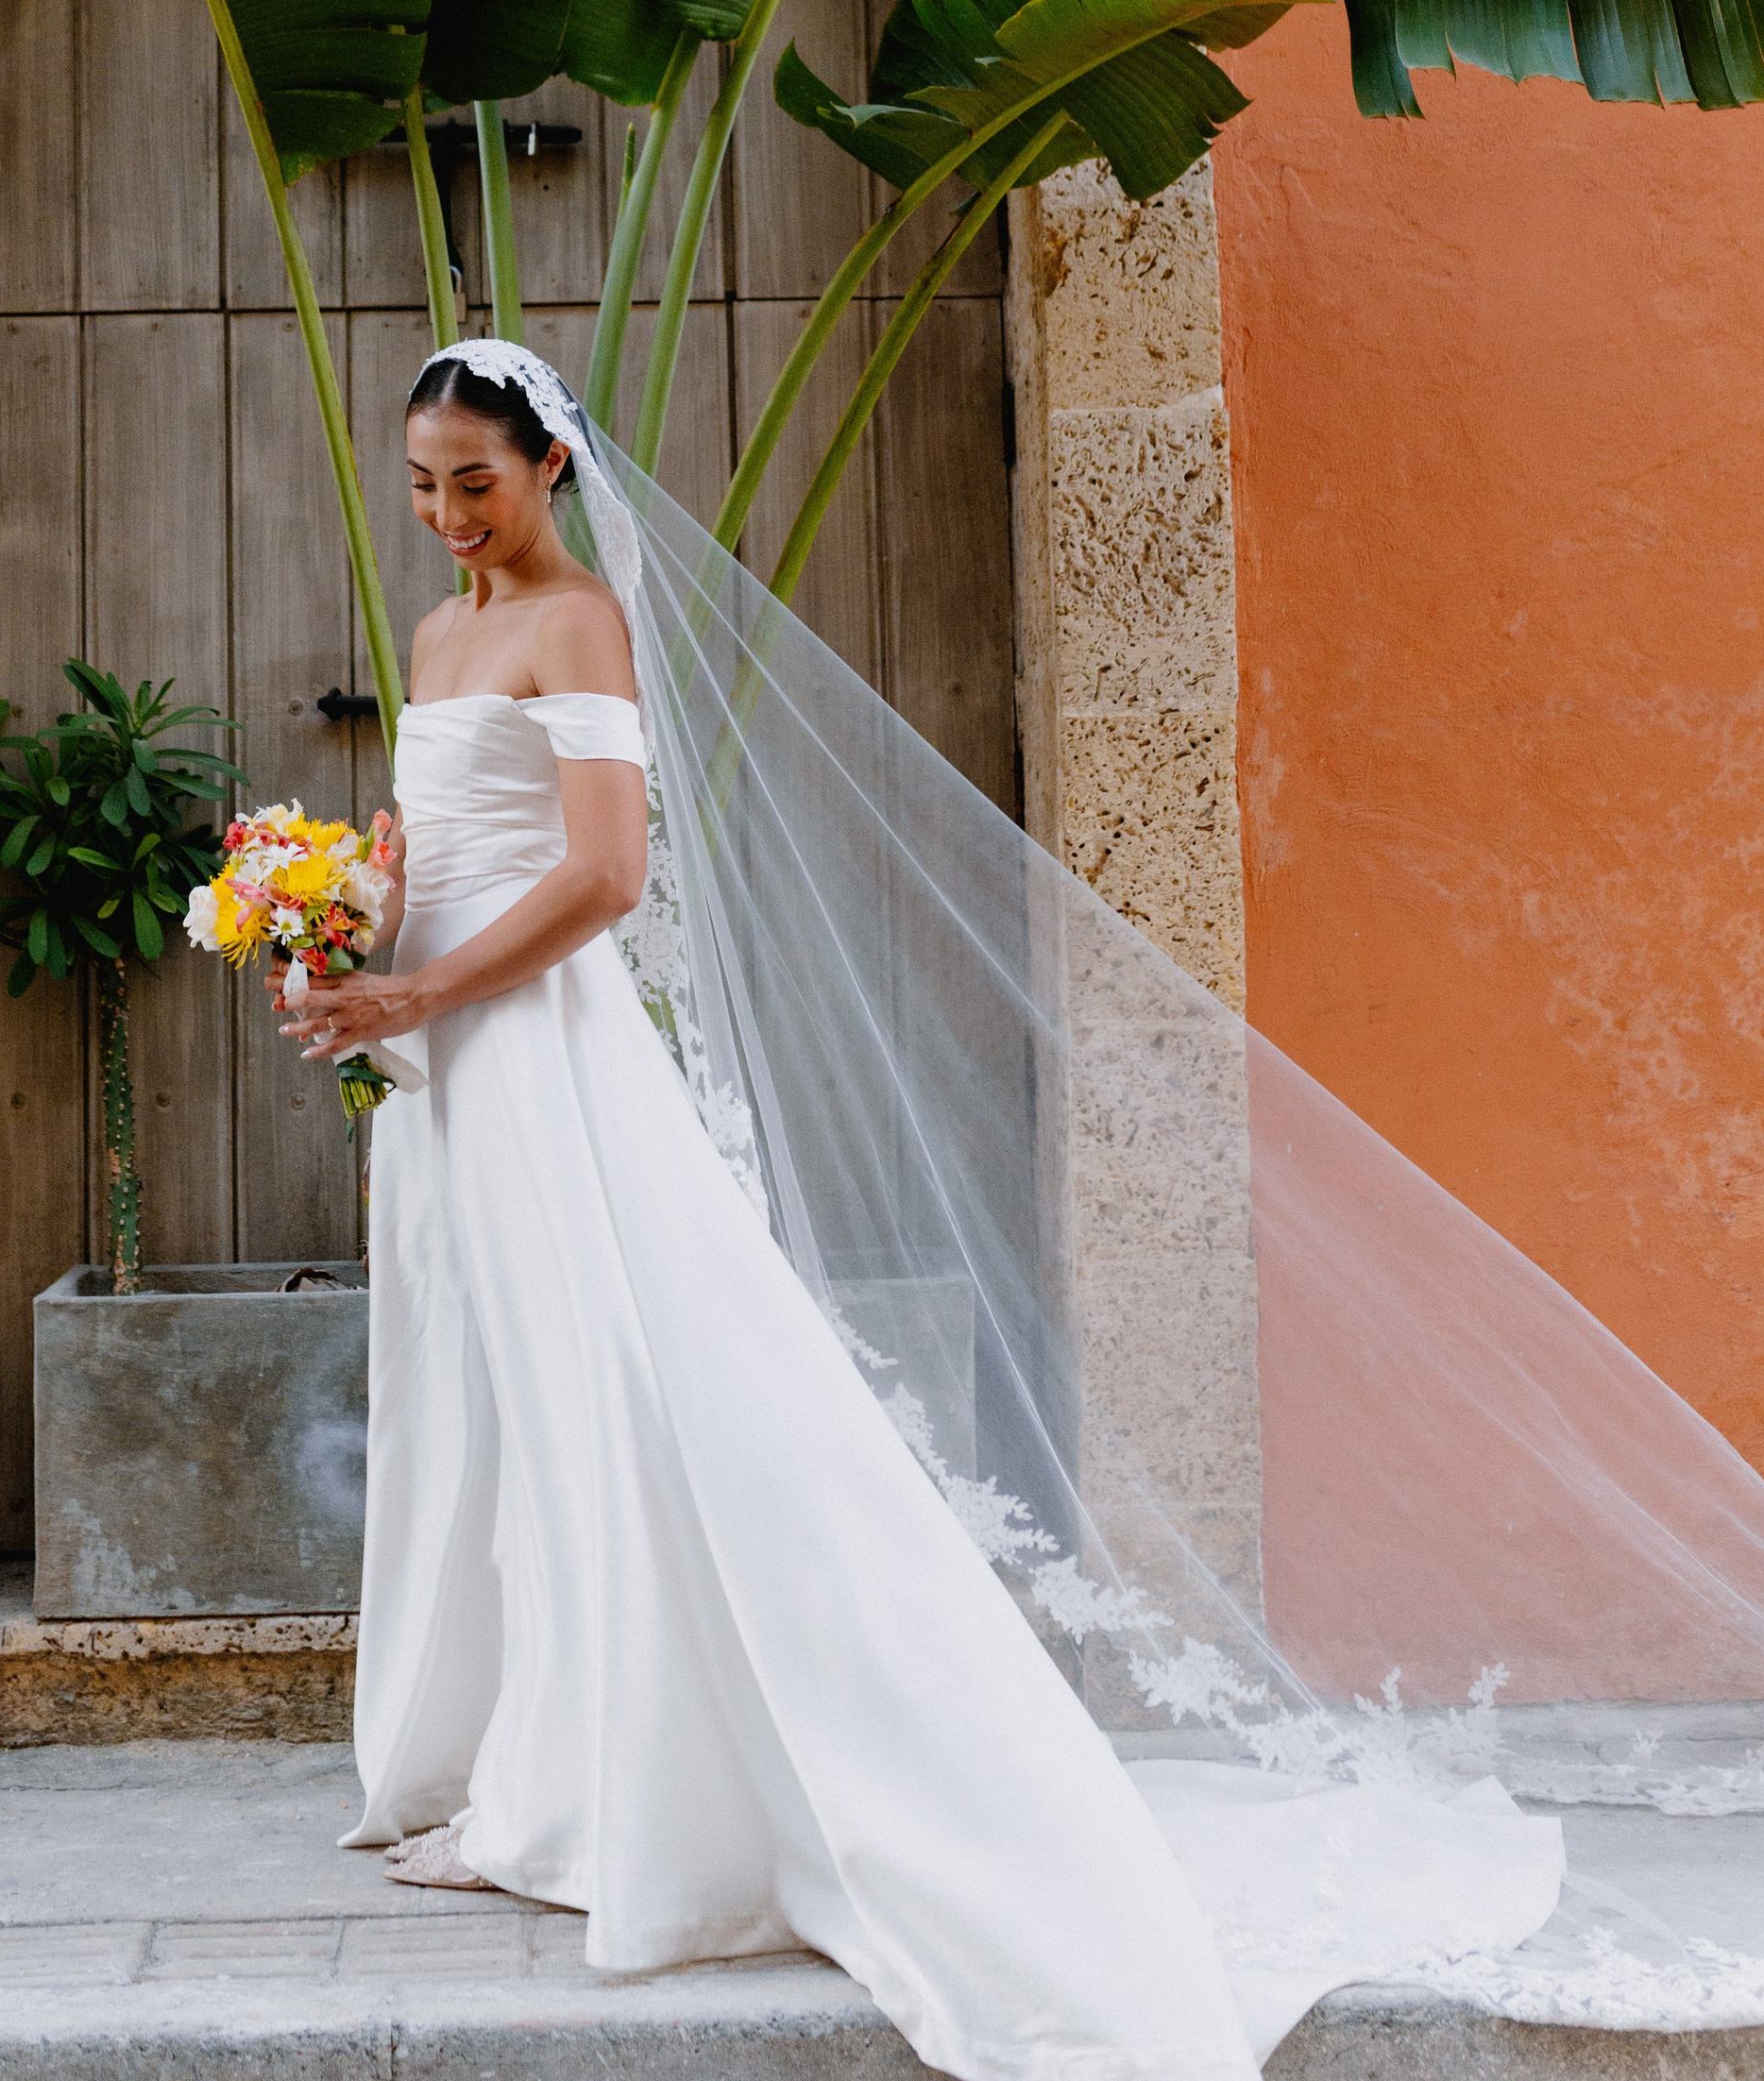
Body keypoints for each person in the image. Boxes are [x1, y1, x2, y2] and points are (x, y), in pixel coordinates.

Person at [272, 341, 1579, 2075]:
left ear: (553, 473)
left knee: (609, 1405)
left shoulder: (579, 621)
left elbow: (605, 873)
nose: (446, 518)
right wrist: (335, 932)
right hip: (437, 1084)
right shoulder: (440, 637)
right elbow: (438, 844)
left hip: (539, 1067)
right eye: (425, 483)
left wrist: (422, 1002)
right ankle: (535, 1752)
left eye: (478, 484)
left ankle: (633, 1794)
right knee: (501, 1404)